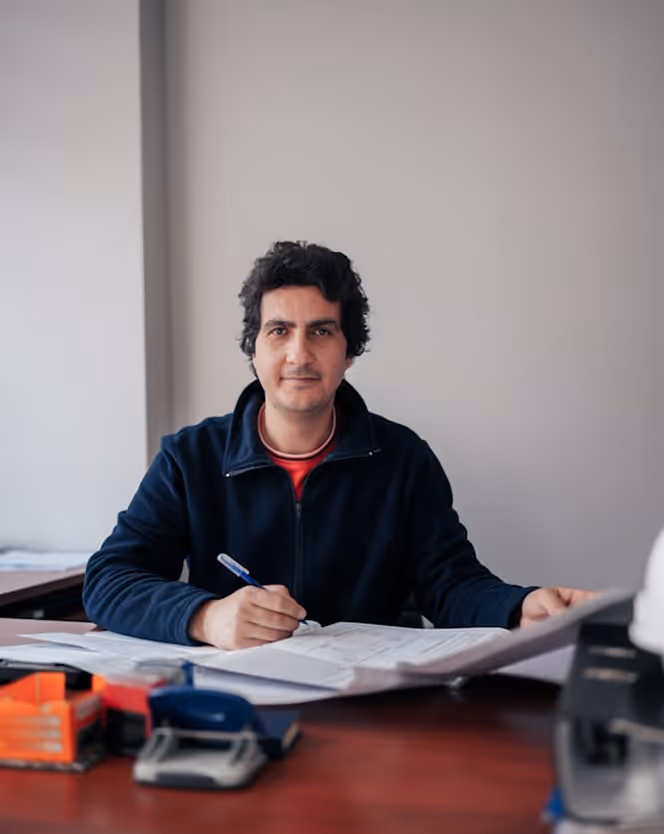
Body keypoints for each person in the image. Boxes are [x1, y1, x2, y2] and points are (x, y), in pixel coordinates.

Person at [83, 241, 594, 650]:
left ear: (349, 351)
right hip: (237, 699)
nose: (299, 354)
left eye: (321, 331)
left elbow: (452, 584)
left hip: (372, 712)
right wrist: (205, 616)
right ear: (254, 350)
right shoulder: (189, 458)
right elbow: (109, 580)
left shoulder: (404, 459)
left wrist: (520, 606)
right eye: (279, 331)